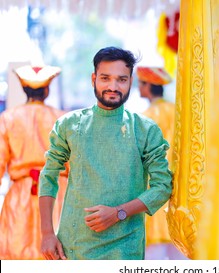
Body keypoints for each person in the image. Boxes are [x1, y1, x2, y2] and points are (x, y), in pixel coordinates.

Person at [38, 46, 173, 260]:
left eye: (121, 79)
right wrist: (46, 233)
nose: (113, 86)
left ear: (131, 81)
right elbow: (48, 176)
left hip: (125, 248)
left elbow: (163, 186)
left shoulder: (145, 130)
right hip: (74, 245)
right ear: (94, 79)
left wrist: (119, 213)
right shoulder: (69, 125)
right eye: (105, 78)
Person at [0, 64, 68, 259]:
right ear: (47, 90)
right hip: (57, 193)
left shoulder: (8, 118)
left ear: (23, 89)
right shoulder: (62, 119)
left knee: (16, 256)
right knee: (57, 257)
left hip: (20, 194)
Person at [137, 66, 187, 260]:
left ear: (148, 86)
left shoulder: (146, 117)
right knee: (182, 246)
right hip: (179, 181)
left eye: (140, 84)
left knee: (153, 252)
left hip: (155, 183)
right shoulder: (178, 110)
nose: (138, 88)